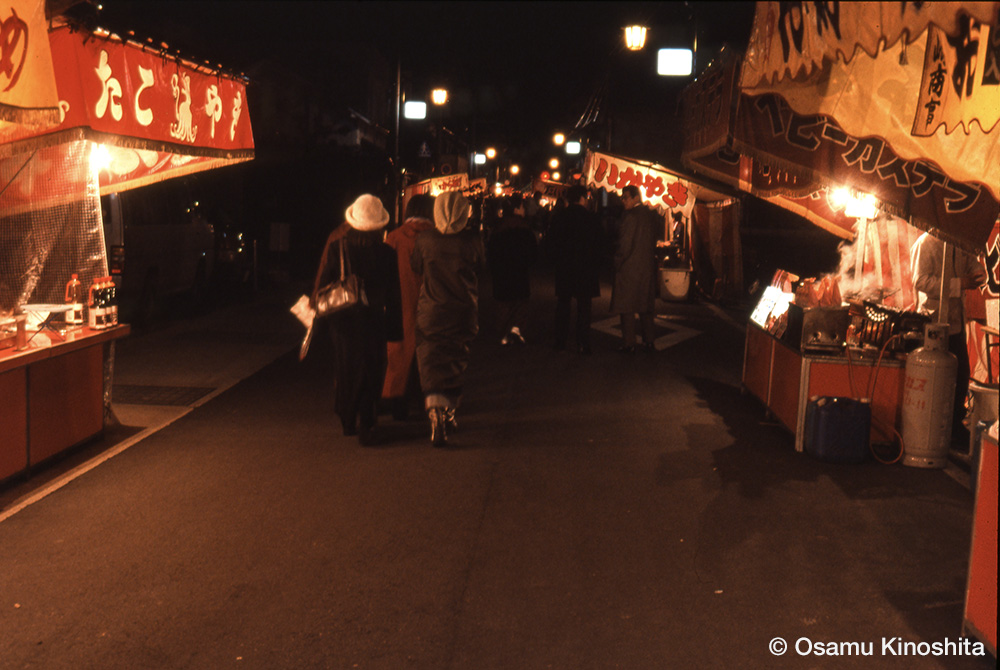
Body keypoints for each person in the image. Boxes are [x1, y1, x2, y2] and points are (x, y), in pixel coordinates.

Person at [311, 194, 402, 446]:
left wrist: (317, 319)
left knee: (346, 368)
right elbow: (394, 295)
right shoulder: (386, 253)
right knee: (372, 368)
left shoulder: (337, 247)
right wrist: (395, 330)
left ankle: (347, 419)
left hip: (343, 321)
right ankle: (367, 419)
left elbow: (323, 286)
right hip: (374, 318)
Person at [411, 190, 486, 446]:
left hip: (431, 311)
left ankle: (434, 411)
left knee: (430, 361)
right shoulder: (473, 239)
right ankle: (450, 412)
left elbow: (415, 266)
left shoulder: (425, 239)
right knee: (456, 361)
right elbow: (481, 268)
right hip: (463, 311)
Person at [910, 232, 988, 440]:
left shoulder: (957, 242)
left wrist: (978, 273)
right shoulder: (925, 243)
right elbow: (920, 281)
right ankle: (933, 427)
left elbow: (970, 263)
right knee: (936, 376)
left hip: (956, 321)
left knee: (961, 373)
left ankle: (954, 425)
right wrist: (959, 284)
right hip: (933, 321)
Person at [381, 193, 436, 420]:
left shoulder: (394, 237)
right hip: (431, 302)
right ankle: (428, 401)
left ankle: (396, 401)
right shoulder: (436, 237)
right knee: (429, 354)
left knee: (398, 354)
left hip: (399, 302)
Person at [547, 184, 603, 354]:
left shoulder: (559, 217)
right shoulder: (591, 219)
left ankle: (560, 341)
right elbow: (599, 245)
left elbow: (552, 243)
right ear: (582, 198)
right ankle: (583, 343)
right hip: (585, 267)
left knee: (563, 304)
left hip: (565, 266)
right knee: (584, 306)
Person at [610, 185, 661, 353]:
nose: (623, 201)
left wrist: (617, 263)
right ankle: (649, 341)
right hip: (646, 268)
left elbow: (624, 246)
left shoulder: (630, 217)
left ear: (636, 198)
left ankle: (629, 343)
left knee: (627, 307)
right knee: (646, 307)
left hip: (629, 268)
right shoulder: (651, 216)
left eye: (626, 197)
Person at [487, 193, 538, 345]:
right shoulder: (524, 229)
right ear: (516, 209)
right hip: (520, 272)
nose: (524, 210)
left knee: (504, 304)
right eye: (522, 207)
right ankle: (515, 331)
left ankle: (504, 333)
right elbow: (533, 253)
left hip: (501, 273)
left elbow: (491, 253)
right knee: (520, 304)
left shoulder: (498, 229)